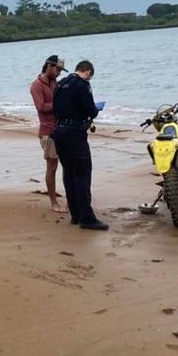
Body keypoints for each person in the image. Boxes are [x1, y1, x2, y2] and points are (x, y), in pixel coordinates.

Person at [52, 60, 108, 231]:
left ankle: (75, 214)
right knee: (83, 173)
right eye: (89, 76)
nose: (89, 79)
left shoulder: (60, 85)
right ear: (87, 72)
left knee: (68, 173)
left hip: (59, 131)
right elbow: (90, 110)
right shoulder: (82, 85)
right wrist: (96, 109)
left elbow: (57, 109)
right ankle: (87, 218)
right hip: (74, 132)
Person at [30, 55, 68, 213]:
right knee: (52, 166)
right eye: (57, 69)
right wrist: (59, 104)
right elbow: (41, 107)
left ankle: (70, 199)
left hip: (61, 128)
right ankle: (53, 202)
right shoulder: (36, 85)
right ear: (49, 66)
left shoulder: (55, 83)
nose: (59, 73)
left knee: (68, 165)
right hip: (47, 131)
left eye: (61, 70)